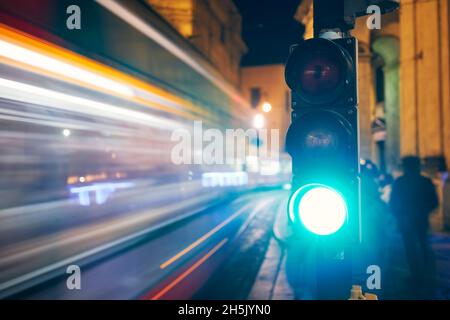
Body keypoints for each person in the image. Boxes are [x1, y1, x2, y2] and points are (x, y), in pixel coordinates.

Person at [389, 156, 439, 287]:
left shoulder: (401, 182)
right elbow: (434, 201)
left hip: (408, 220)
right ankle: (424, 275)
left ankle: (417, 275)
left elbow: (393, 203)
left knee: (412, 248)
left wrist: (400, 215)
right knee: (421, 247)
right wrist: (423, 211)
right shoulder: (424, 182)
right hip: (418, 219)